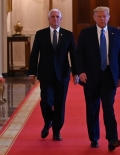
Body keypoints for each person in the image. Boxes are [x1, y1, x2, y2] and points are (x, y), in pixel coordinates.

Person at [76, 6, 120, 151]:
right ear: (94, 18)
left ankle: (112, 139)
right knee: (92, 109)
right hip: (90, 76)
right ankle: (94, 138)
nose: (102, 19)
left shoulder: (116, 33)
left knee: (108, 107)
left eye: (105, 16)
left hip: (110, 76)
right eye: (99, 16)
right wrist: (81, 72)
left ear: (109, 17)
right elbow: (79, 55)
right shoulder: (86, 33)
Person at [28, 8, 79, 141]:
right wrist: (32, 72)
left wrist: (76, 73)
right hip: (45, 74)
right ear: (48, 19)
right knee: (46, 101)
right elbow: (34, 55)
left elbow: (74, 55)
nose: (55, 19)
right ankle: (48, 121)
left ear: (61, 19)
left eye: (57, 17)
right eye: (53, 17)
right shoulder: (41, 34)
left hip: (62, 75)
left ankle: (56, 131)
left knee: (60, 103)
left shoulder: (68, 35)